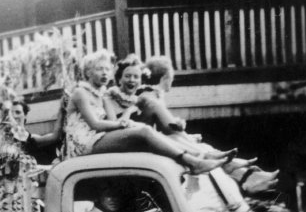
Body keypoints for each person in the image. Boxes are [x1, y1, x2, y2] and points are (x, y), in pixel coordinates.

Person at [63, 50, 229, 174]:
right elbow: (96, 124)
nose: (105, 73)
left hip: (97, 139)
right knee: (143, 130)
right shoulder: (80, 93)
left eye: (107, 69)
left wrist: (126, 123)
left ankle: (201, 155)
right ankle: (193, 162)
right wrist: (123, 123)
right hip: (83, 145)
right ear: (88, 72)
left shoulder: (103, 95)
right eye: (99, 69)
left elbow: (112, 122)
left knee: (146, 131)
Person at [133, 55, 280, 195]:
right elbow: (172, 128)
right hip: (148, 147)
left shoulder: (150, 96)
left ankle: (248, 176)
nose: (172, 80)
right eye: (172, 77)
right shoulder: (149, 98)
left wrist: (188, 136)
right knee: (196, 146)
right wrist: (183, 131)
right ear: (166, 77)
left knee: (201, 147)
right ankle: (247, 177)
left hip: (154, 143)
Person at [0, 99, 61, 212]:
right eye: (11, 113)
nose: (14, 116)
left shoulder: (31, 139)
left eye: (18, 112)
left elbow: (55, 136)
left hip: (27, 196)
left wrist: (62, 111)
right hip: (4, 196)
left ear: (25, 117)